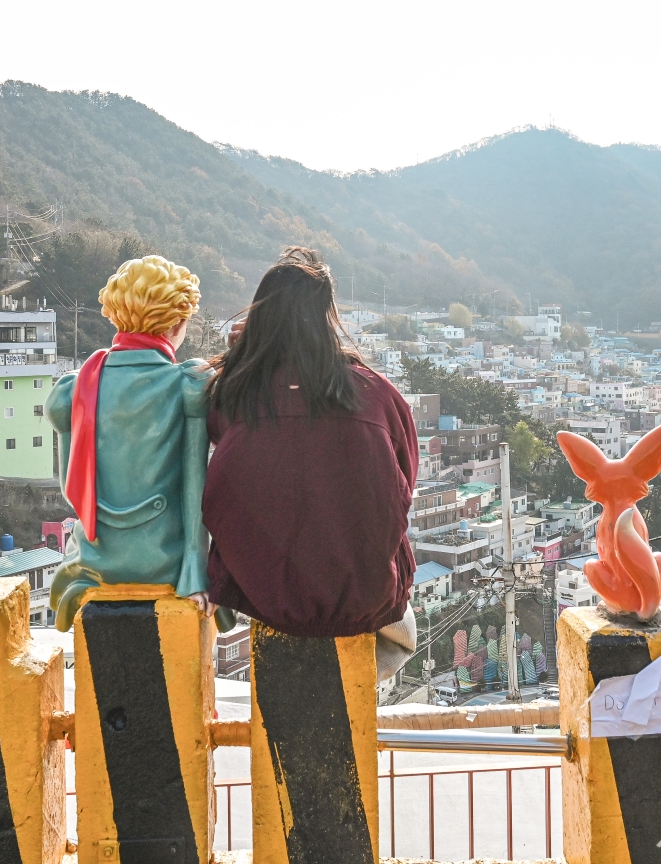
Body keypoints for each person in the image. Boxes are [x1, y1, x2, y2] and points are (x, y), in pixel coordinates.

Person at [203, 247, 417, 675]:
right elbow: (404, 484)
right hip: (366, 603)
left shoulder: (232, 394)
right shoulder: (375, 394)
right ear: (326, 315)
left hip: (266, 597)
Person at [47, 255, 212, 630]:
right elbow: (195, 488)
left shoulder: (75, 389)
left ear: (116, 314)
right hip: (165, 559)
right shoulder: (188, 384)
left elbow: (73, 491)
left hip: (94, 558)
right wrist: (195, 568)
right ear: (178, 323)